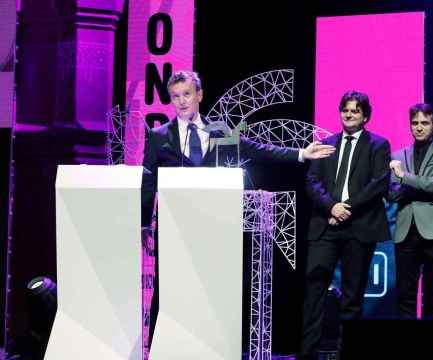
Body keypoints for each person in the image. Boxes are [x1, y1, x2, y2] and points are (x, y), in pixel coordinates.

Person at [140, 70, 335, 345]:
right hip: (174, 228)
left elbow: (257, 150)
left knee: (211, 290)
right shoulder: (160, 136)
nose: (182, 102)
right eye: (175, 97)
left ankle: (212, 346)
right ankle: (160, 348)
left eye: (186, 94)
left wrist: (301, 153)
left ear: (199, 95)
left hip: (213, 226)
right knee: (168, 289)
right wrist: (144, 222)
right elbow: (148, 180)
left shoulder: (218, 130)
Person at [299, 91, 391, 359]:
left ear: (365, 116)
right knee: (314, 291)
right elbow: (312, 182)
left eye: (355, 110)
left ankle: (347, 354)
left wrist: (345, 209)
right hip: (325, 226)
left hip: (359, 227)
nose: (349, 114)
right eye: (345, 110)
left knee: (352, 296)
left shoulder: (378, 145)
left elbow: (379, 183)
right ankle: (307, 354)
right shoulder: (325, 144)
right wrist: (332, 207)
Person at [388, 103, 433, 318]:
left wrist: (404, 178)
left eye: (424, 123)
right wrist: (405, 184)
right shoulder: (398, 155)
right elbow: (391, 193)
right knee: (405, 296)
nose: (419, 127)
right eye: (415, 123)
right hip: (406, 230)